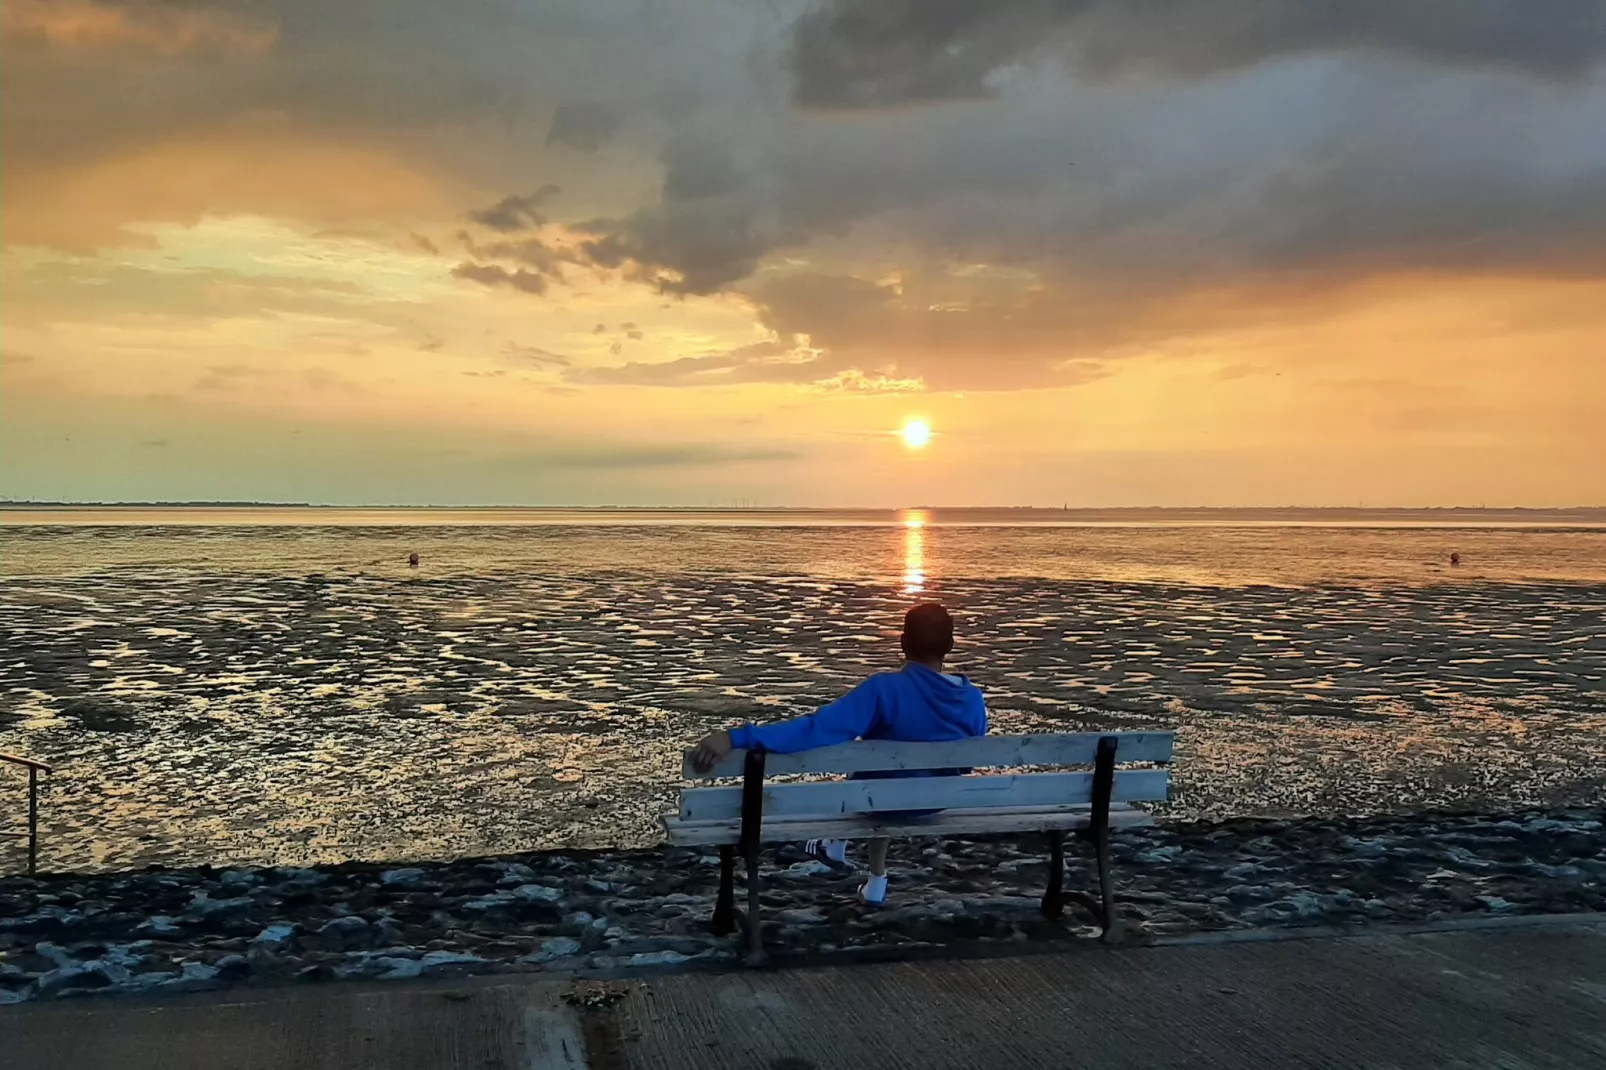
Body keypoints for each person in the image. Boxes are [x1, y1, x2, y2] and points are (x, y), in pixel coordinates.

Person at [691, 602, 987, 905]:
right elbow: (966, 766)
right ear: (950, 645)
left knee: (879, 776)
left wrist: (736, 737)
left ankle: (841, 850)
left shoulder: (883, 690)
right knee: (890, 773)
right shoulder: (972, 699)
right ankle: (856, 864)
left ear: (902, 642)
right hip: (936, 803)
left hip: (881, 802)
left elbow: (817, 729)